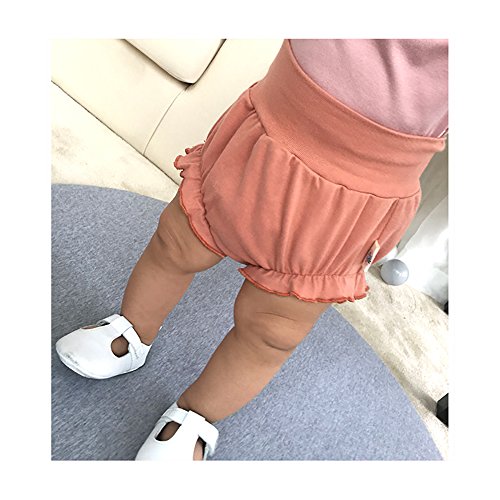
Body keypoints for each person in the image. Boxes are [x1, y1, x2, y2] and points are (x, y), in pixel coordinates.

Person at [55, 38, 448, 461]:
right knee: (177, 242)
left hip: (360, 196)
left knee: (273, 330)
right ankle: (132, 329)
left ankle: (197, 414)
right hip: (269, 130)